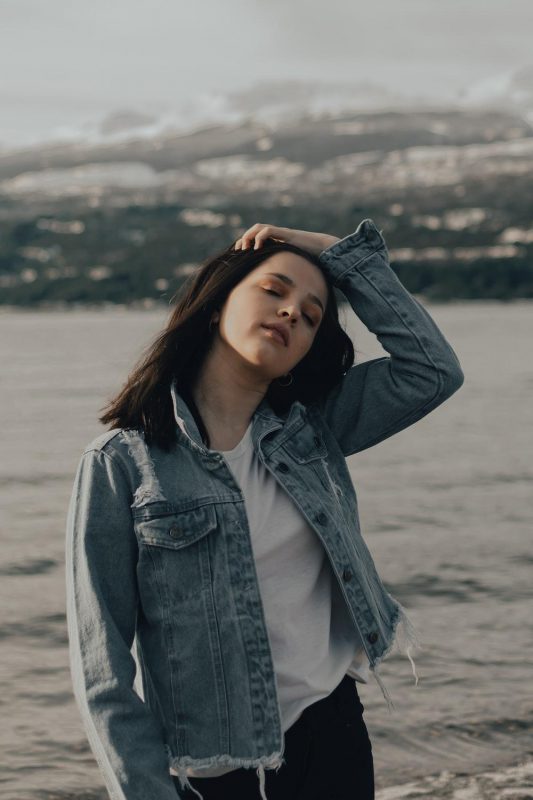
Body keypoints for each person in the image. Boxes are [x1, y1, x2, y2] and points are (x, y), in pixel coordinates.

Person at [65, 219, 464, 800]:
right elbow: (101, 670)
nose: (290, 315)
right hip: (215, 771)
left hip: (331, 734)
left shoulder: (313, 430)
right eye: (274, 291)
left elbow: (431, 371)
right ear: (215, 303)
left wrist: (337, 253)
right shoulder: (121, 464)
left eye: (310, 315)